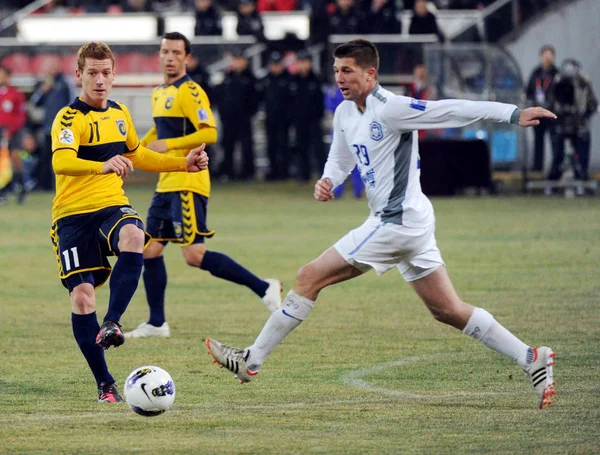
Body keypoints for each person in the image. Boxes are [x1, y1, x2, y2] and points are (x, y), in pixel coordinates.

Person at [206, 39, 558, 410]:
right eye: (336, 70)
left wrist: (511, 113)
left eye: (347, 71)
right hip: (406, 222)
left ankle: (251, 361)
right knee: (448, 310)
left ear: (370, 74)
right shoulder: (344, 112)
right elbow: (341, 158)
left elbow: (450, 110)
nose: (339, 78)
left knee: (309, 277)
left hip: (397, 222)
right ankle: (530, 356)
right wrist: (329, 180)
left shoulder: (392, 108)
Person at [50, 41, 208, 403]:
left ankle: (113, 322)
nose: (100, 80)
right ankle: (105, 382)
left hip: (110, 205)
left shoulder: (119, 114)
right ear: (79, 75)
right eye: (92, 73)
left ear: (114, 75)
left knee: (135, 234)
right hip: (71, 216)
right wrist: (103, 165)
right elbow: (62, 162)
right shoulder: (69, 118)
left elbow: (138, 154)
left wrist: (184, 163)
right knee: (83, 298)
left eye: (106, 73)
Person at [124, 33, 281, 340]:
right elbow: (160, 128)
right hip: (166, 181)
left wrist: (167, 145)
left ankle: (264, 287)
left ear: (187, 58)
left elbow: (209, 133)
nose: (169, 57)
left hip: (189, 182)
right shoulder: (160, 92)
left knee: (194, 255)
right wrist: (134, 154)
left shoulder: (192, 91)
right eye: (165, 51)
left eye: (176, 52)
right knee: (150, 250)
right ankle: (157, 323)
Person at [546, 59, 598, 188]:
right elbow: (550, 103)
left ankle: (581, 178)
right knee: (557, 154)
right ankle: (553, 180)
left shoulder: (583, 83)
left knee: (581, 154)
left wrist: (583, 116)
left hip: (579, 124)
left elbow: (593, 104)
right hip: (561, 123)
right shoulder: (557, 82)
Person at [30, 54, 75, 191]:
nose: (50, 69)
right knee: (46, 157)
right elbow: (36, 102)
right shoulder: (44, 84)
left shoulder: (65, 82)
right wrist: (43, 90)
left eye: (52, 65)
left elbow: (72, 102)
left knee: (64, 156)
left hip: (63, 127)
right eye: (48, 66)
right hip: (48, 128)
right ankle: (45, 185)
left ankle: (68, 185)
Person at [216, 47, 259, 181]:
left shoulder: (251, 78)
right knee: (228, 145)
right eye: (235, 59)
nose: (237, 63)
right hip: (228, 119)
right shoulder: (226, 77)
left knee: (246, 146)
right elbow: (220, 97)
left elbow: (255, 99)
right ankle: (228, 172)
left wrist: (250, 113)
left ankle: (248, 173)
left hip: (244, 118)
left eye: (239, 60)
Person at [290, 49, 325, 182]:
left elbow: (320, 101)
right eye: (300, 62)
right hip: (299, 120)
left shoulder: (316, 79)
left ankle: (323, 173)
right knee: (301, 147)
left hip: (314, 119)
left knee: (318, 148)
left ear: (310, 63)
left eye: (305, 62)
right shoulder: (293, 80)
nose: (302, 65)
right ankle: (304, 174)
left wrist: (319, 116)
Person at [525, 44, 558, 172]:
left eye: (550, 55)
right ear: (541, 57)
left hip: (551, 113)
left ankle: (555, 170)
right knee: (538, 143)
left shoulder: (556, 74)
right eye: (545, 55)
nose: (548, 58)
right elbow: (529, 91)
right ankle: (537, 170)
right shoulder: (536, 73)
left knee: (555, 143)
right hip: (538, 113)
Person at [260, 50, 293, 181]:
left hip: (285, 119)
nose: (275, 67)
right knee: (271, 145)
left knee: (284, 145)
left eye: (277, 64)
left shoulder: (289, 79)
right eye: (273, 64)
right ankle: (273, 171)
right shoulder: (266, 80)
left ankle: (284, 171)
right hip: (270, 118)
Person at [0, 65, 27, 204]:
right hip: (1, 131)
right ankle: (2, 193)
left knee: (16, 159)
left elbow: (20, 116)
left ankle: (22, 189)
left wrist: (10, 131)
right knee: (2, 162)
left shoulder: (16, 94)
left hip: (14, 131)